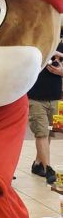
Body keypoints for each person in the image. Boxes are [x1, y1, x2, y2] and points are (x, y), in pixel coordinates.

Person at [28, 42, 63, 184]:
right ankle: (48, 168)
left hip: (55, 98)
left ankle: (38, 164)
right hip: (35, 98)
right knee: (41, 133)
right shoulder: (36, 43)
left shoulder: (60, 46)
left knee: (49, 133)